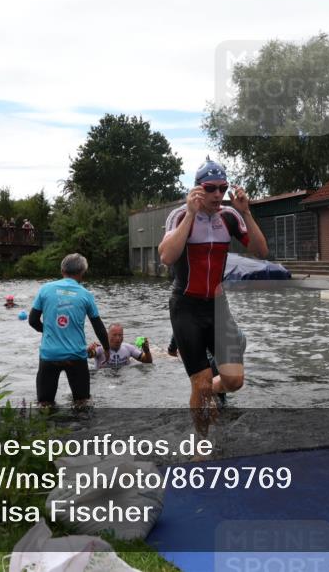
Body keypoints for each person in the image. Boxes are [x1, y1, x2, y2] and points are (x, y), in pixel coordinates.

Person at [158, 157, 268, 424]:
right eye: (210, 188)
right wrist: (192, 214)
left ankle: (208, 391)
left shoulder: (229, 217)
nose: (218, 194)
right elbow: (166, 257)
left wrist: (246, 212)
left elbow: (261, 251)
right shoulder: (180, 215)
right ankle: (200, 446)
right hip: (186, 306)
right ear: (197, 189)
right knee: (202, 381)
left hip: (217, 306)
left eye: (222, 187)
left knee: (234, 380)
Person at [28, 253, 109, 406]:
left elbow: (32, 321)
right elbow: (98, 326)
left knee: (45, 405)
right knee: (82, 404)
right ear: (82, 273)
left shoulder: (45, 290)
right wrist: (106, 348)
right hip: (76, 356)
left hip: (49, 355)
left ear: (62, 270)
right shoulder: (86, 295)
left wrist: (49, 331)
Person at [87, 324, 153, 369]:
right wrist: (89, 350)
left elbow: (148, 361)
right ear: (107, 336)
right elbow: (89, 355)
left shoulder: (128, 348)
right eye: (114, 335)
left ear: (123, 337)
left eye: (120, 335)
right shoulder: (100, 349)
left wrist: (147, 350)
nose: (118, 338)